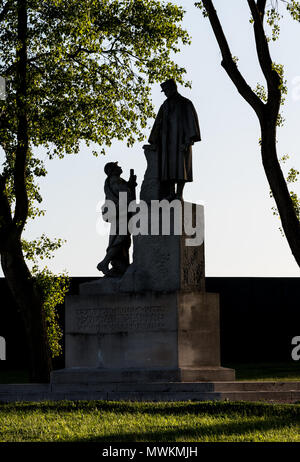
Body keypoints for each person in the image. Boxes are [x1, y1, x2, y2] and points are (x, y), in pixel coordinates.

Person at [148, 78, 201, 200]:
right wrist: (154, 140)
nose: (165, 93)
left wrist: (189, 141)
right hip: (167, 143)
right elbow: (158, 124)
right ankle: (171, 193)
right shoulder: (165, 106)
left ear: (173, 88)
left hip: (181, 142)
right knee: (168, 169)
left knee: (181, 169)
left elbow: (191, 124)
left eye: (166, 90)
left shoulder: (185, 103)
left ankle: (179, 194)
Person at [97, 162, 137, 277]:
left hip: (121, 214)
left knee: (123, 241)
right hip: (121, 214)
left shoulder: (117, 180)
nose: (120, 167)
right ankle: (104, 262)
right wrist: (130, 187)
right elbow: (126, 196)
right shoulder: (115, 180)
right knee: (120, 239)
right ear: (112, 170)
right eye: (117, 166)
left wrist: (131, 184)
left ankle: (118, 267)